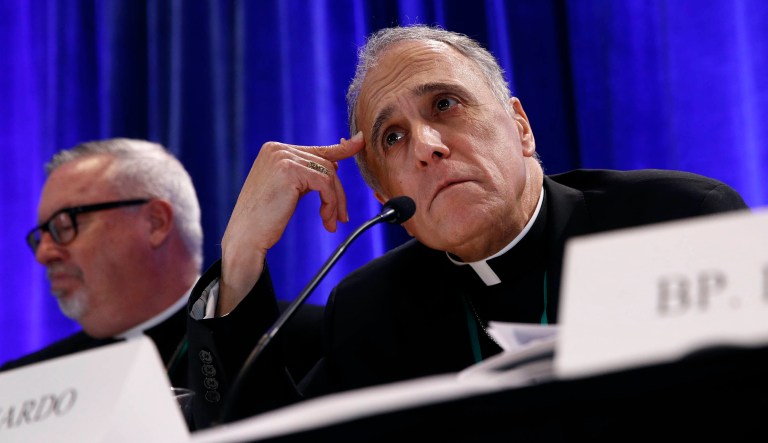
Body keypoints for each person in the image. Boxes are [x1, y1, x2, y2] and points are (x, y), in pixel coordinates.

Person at [185, 24, 750, 429]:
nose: (427, 147)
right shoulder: (372, 310)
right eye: (394, 137)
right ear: (387, 197)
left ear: (521, 128)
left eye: (446, 104)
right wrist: (240, 256)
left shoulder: (671, 223)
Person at [0, 138, 203, 389]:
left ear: (155, 222)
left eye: (64, 225)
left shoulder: (247, 356)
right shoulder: (22, 386)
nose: (43, 254)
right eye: (42, 236)